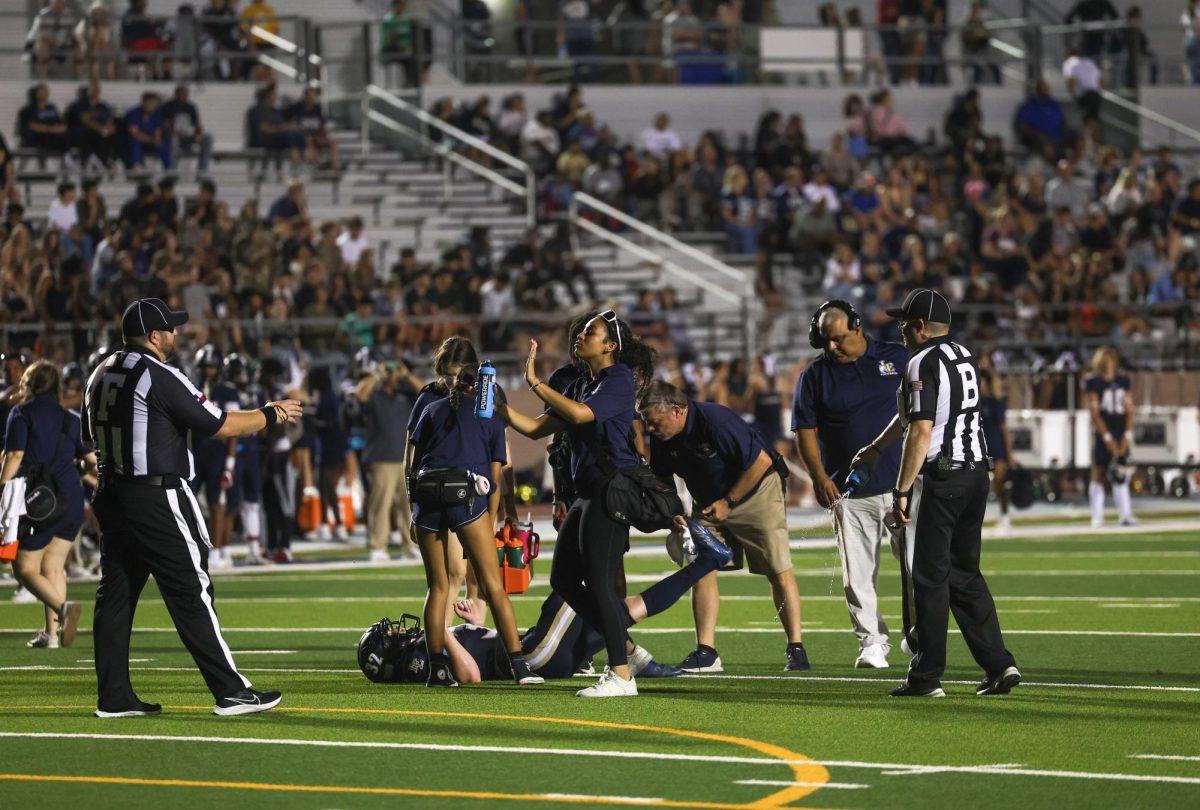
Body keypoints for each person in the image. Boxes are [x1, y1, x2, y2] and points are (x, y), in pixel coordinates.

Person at [83, 297, 302, 716]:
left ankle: (114, 696)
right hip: (155, 494)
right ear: (154, 336)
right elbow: (220, 424)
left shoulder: (100, 372)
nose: (176, 335)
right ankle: (231, 690)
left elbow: (88, 436)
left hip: (111, 491)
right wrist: (270, 414)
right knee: (191, 588)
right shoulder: (159, 374)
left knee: (115, 594)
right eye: (171, 329)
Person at [853, 288, 1020, 698]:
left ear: (920, 326)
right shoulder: (963, 356)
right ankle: (1000, 665)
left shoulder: (920, 361)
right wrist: (877, 448)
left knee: (929, 577)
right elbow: (916, 415)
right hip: (976, 474)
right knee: (964, 575)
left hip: (943, 478)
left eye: (905, 323)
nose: (901, 330)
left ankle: (926, 676)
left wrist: (901, 489)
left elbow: (922, 429)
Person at [498, 310, 656, 698]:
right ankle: (626, 651)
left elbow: (582, 416)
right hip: (587, 493)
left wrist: (534, 382)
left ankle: (621, 674)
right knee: (563, 580)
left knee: (600, 582)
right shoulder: (585, 382)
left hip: (611, 489)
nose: (581, 334)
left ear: (610, 345)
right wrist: (497, 409)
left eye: (592, 331)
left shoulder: (618, 379)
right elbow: (537, 428)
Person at [363, 527, 732, 685]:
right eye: (390, 634)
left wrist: (475, 622)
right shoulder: (420, 658)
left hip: (540, 650)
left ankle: (706, 562)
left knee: (623, 609)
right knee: (569, 586)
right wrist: (446, 634)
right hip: (537, 653)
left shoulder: (420, 647)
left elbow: (479, 650)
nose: (397, 629)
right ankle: (636, 657)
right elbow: (471, 675)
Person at [638, 379, 807, 673]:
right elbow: (663, 479)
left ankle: (796, 647)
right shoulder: (664, 439)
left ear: (677, 410)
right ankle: (707, 651)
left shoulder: (716, 420)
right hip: (707, 502)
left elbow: (760, 462)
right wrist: (674, 514)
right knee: (701, 567)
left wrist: (729, 501)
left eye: (653, 423)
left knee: (777, 568)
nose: (650, 430)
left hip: (756, 493)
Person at [408, 341, 542, 688]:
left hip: (428, 498)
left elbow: (413, 464)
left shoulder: (430, 408)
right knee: (492, 585)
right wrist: (493, 516)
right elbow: (495, 477)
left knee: (438, 587)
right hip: (467, 500)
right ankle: (519, 665)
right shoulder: (490, 413)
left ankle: (437, 668)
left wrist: (413, 510)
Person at [792, 300, 911, 669]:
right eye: (825, 340)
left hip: (904, 484)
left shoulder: (899, 358)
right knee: (856, 572)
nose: (832, 347)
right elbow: (805, 430)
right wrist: (819, 476)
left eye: (839, 338)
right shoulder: (815, 375)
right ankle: (871, 642)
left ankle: (920, 632)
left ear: (858, 328)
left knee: (918, 566)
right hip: (849, 487)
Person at [1, 360, 92, 649]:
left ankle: (63, 608)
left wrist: (2, 488)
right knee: (53, 566)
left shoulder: (21, 413)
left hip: (39, 501)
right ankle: (51, 635)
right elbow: (91, 460)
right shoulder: (70, 419)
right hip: (71, 499)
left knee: (25, 569)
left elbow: (14, 456)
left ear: (28, 384)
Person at [405, 338, 489, 620]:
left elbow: (500, 451)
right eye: (447, 374)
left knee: (481, 580)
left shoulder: (484, 396)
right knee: (453, 572)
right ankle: (440, 648)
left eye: (459, 373)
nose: (453, 381)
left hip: (480, 492)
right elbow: (411, 456)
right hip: (444, 493)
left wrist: (505, 505)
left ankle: (475, 644)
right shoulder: (429, 397)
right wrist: (412, 506)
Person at [356, 354, 423, 563]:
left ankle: (410, 546)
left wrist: (407, 375)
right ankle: (378, 545)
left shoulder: (406, 396)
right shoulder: (374, 395)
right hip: (381, 457)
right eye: (390, 370)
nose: (393, 374)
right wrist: (378, 373)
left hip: (406, 459)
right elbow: (360, 395)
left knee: (408, 505)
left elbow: (427, 392)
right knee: (381, 504)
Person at [1085, 346, 1135, 527]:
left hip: (1120, 430)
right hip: (1104, 431)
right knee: (1098, 472)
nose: (1107, 365)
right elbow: (1095, 412)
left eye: (1109, 360)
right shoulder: (1094, 382)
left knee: (1122, 471)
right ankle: (1097, 516)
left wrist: (1128, 434)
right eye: (1103, 361)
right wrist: (1106, 438)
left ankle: (1125, 514)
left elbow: (1129, 409)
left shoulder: (1123, 381)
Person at [978, 370, 1016, 533]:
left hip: (995, 448)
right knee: (978, 486)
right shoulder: (973, 402)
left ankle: (1005, 518)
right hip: (979, 449)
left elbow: (1003, 428)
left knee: (1001, 483)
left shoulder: (995, 402)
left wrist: (1009, 453)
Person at [160, 85, 214, 176]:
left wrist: (197, 134)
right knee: (172, 141)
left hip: (190, 136)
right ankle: (172, 171)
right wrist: (176, 133)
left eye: (186, 94)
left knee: (208, 138)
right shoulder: (168, 106)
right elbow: (166, 124)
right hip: (175, 136)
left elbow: (197, 124)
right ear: (176, 94)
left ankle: (202, 170)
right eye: (182, 94)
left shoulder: (191, 107)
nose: (185, 96)